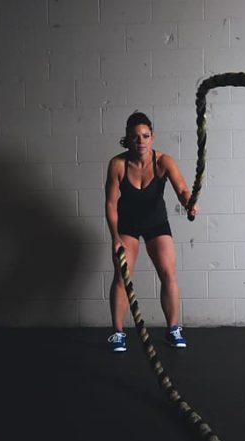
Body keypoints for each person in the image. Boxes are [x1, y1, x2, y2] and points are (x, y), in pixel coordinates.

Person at [105, 111, 198, 352]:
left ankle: (173, 329)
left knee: (168, 273)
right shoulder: (117, 164)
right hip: (128, 225)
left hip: (157, 223)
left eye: (145, 136)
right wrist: (115, 237)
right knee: (122, 275)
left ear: (152, 137)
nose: (141, 141)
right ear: (128, 138)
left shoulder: (163, 161)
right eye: (135, 137)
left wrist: (189, 203)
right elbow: (111, 204)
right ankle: (117, 333)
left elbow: (182, 189)